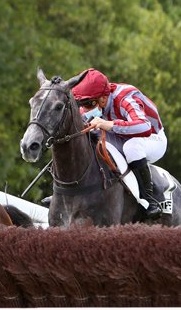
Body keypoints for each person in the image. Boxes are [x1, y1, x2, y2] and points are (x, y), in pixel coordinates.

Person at [71, 68, 165, 219]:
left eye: (87, 104)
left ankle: (150, 200)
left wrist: (110, 125)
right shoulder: (92, 103)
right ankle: (70, 196)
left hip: (152, 138)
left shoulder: (125, 97)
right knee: (88, 139)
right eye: (81, 104)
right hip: (121, 135)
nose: (83, 109)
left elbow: (145, 126)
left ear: (103, 99)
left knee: (131, 147)